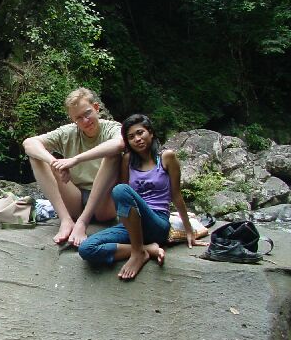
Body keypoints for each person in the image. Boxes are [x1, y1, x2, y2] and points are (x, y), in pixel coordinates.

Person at [77, 114, 207, 280]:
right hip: (132, 225)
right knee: (86, 249)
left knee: (120, 190)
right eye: (131, 137)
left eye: (140, 133)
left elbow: (176, 195)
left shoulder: (166, 158)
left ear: (150, 133)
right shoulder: (127, 160)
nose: (137, 139)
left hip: (157, 223)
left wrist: (189, 230)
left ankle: (137, 252)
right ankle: (145, 250)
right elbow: (124, 199)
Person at [23, 87, 124, 246]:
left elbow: (119, 144)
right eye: (78, 118)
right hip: (75, 199)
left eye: (87, 113)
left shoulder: (111, 128)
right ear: (73, 120)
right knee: (36, 157)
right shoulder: (68, 132)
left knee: (113, 155)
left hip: (104, 203)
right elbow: (29, 143)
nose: (85, 121)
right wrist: (54, 163)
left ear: (96, 108)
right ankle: (66, 220)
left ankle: (82, 222)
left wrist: (75, 160)